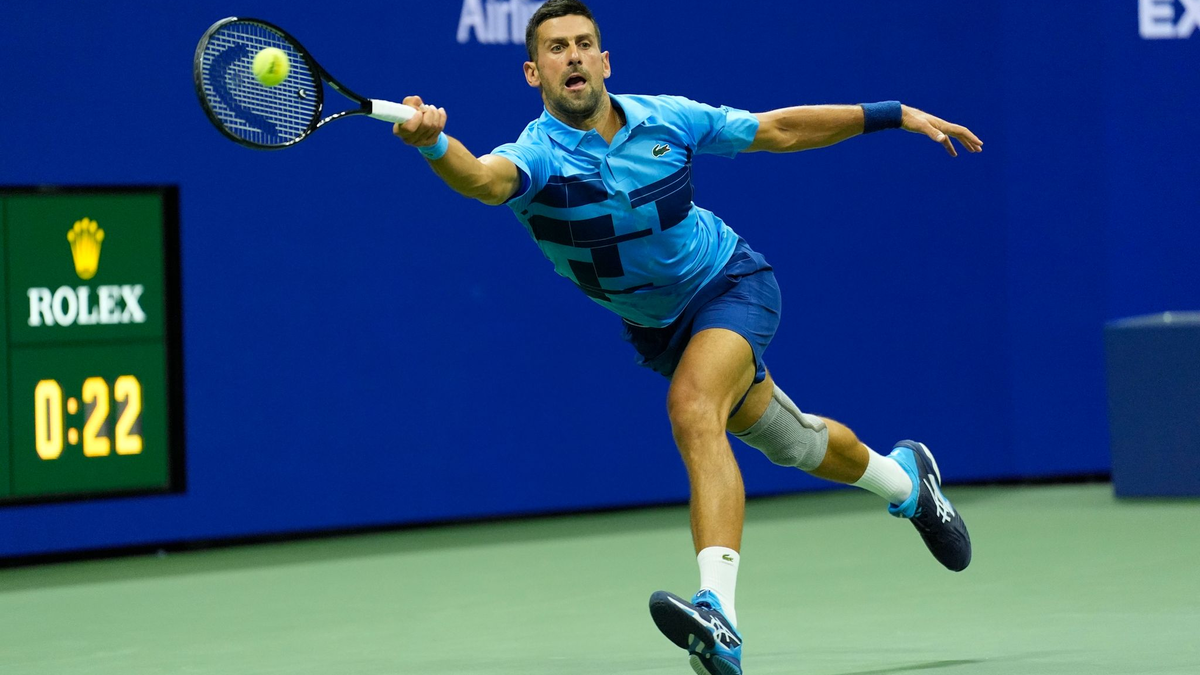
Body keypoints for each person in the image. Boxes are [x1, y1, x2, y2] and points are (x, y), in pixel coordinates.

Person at [393, 2, 981, 673]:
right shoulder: (537, 156)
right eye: (556, 49)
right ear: (535, 73)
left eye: (585, 43)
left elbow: (779, 130)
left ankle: (718, 614)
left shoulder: (666, 118)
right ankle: (907, 481)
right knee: (796, 442)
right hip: (660, 328)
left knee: (693, 407)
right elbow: (481, 178)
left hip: (732, 284)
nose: (574, 56)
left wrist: (893, 112)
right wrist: (435, 143)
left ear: (605, 60)